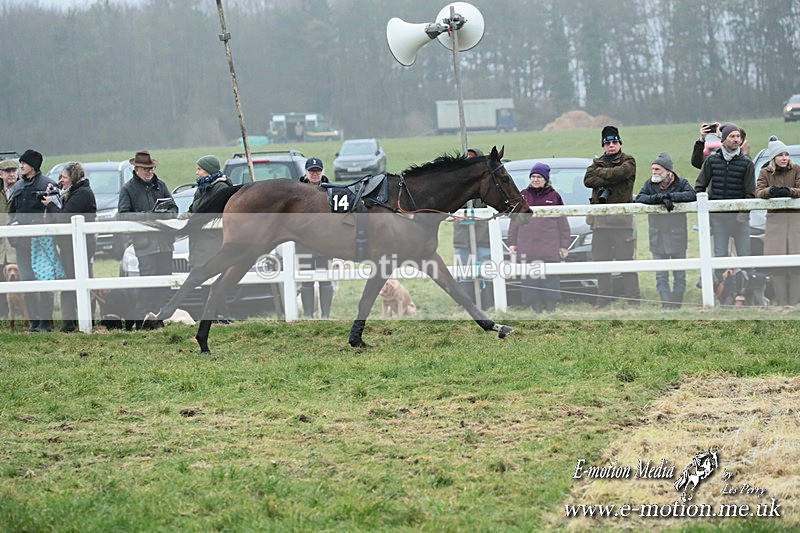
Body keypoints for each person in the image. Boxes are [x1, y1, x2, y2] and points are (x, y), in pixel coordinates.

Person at [117, 150, 176, 329]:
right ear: (136, 169)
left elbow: (174, 208)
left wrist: (166, 215)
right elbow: (122, 216)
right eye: (145, 169)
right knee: (148, 283)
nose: (149, 172)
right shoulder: (128, 189)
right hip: (145, 245)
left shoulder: (162, 186)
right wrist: (148, 216)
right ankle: (139, 320)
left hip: (164, 243)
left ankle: (156, 318)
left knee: (165, 284)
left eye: (151, 168)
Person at [583, 125, 640, 308]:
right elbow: (587, 180)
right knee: (601, 263)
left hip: (621, 222)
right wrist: (610, 177)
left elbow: (621, 173)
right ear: (603, 145)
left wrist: (602, 174)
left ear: (620, 143)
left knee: (626, 262)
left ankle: (633, 299)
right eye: (608, 143)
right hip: (599, 222)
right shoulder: (597, 162)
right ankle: (603, 298)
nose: (611, 146)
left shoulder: (629, 160)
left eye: (614, 142)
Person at [694, 123, 755, 283]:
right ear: (724, 139)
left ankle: (747, 292)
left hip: (739, 219)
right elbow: (700, 186)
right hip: (718, 218)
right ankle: (721, 292)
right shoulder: (712, 161)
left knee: (745, 255)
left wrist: (742, 215)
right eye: (732, 136)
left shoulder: (746, 163)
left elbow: (750, 192)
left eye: (738, 137)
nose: (736, 140)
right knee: (719, 256)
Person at [635, 152, 697, 309]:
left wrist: (671, 196)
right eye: (653, 169)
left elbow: (692, 195)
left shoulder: (682, 182)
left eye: (657, 169)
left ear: (668, 171)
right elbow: (639, 198)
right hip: (657, 235)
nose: (654, 172)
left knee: (679, 274)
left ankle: (676, 304)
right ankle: (666, 303)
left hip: (677, 235)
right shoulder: (649, 184)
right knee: (661, 274)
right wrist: (659, 199)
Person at [8, 149, 60, 331]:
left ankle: (46, 322)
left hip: (42, 243)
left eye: (24, 163)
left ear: (34, 165)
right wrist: (12, 235)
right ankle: (34, 322)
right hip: (22, 243)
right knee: (28, 280)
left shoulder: (49, 184)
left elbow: (55, 212)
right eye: (20, 162)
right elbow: (11, 214)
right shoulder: (18, 186)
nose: (20, 166)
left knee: (44, 280)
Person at [508, 162, 570, 312]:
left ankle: (551, 310)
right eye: (533, 176)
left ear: (546, 179)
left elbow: (563, 223)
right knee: (530, 282)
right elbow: (514, 222)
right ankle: (536, 311)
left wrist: (564, 245)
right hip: (527, 248)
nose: (535, 179)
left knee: (550, 280)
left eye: (539, 176)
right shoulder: (522, 195)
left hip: (549, 248)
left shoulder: (554, 197)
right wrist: (512, 243)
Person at [42, 162, 97, 332]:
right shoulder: (75, 192)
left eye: (64, 177)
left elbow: (64, 216)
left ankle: (74, 322)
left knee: (74, 280)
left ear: (73, 178)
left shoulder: (82, 194)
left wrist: (50, 204)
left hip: (77, 246)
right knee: (71, 280)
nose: (61, 180)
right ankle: (74, 320)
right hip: (70, 245)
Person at [755, 137, 800, 307]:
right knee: (778, 265)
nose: (784, 157)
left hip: (796, 222)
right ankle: (782, 304)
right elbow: (758, 191)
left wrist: (789, 192)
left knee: (797, 264)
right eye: (780, 154)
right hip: (776, 223)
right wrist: (770, 191)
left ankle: (794, 303)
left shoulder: (796, 170)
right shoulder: (765, 172)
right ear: (773, 157)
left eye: (786, 154)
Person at [189, 155, 233, 321]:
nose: (197, 172)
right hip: (202, 243)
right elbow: (193, 208)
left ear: (208, 170)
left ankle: (222, 316)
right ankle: (210, 317)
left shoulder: (219, 188)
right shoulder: (203, 187)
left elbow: (201, 208)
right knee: (205, 283)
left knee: (215, 282)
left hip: (213, 243)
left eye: (200, 169)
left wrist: (197, 206)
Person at [453, 148, 492, 308]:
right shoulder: (456, 185)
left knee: (487, 272)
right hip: (463, 238)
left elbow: (489, 204)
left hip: (482, 237)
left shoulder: (487, 183)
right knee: (465, 272)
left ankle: (490, 305)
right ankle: (468, 307)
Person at [297, 157, 333, 318]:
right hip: (304, 243)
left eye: (317, 171)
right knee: (306, 280)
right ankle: (309, 315)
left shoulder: (330, 189)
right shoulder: (297, 190)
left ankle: (325, 315)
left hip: (325, 242)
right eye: (312, 171)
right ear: (306, 172)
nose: (315, 174)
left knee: (325, 280)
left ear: (322, 172)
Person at [0, 159, 19, 321]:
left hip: (16, 244)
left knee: (19, 275)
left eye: (14, 171)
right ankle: (4, 313)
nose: (11, 174)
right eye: (7, 171)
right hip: (1, 245)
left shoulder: (21, 190)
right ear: (1, 174)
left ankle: (20, 313)